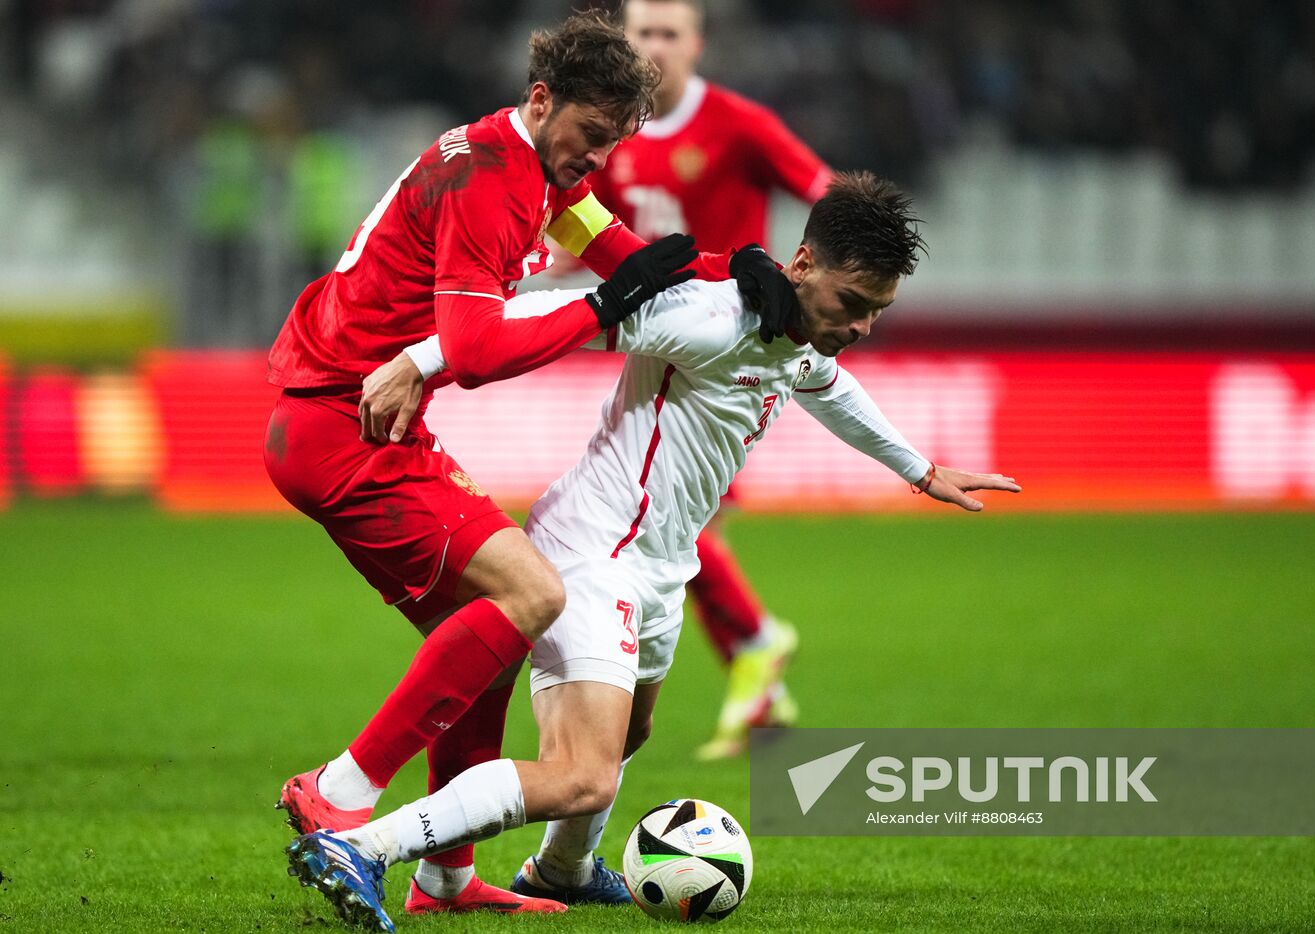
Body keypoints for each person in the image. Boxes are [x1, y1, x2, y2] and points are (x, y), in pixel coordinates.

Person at [294, 172, 1019, 930]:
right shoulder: (709, 316)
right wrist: (423, 360)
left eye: (878, 312)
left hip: (665, 566)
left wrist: (921, 470)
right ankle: (366, 847)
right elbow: (551, 312)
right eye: (853, 304)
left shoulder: (795, 334)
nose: (863, 326)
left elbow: (828, 386)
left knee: (631, 733)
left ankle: (562, 869)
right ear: (803, 264)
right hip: (593, 553)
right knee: (582, 777)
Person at [263, 12, 795, 928]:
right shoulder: (494, 178)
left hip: (355, 424)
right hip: (343, 426)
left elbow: (626, 258)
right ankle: (339, 791)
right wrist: (599, 309)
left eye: (613, 145)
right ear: (542, 101)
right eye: (590, 138)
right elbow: (471, 345)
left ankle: (444, 878)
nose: (595, 161)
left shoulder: (542, 173)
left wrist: (738, 269)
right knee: (533, 596)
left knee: (493, 636)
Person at [594, 0, 839, 759]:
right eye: (643, 33)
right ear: (625, 43)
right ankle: (760, 684)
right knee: (671, 527)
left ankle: (759, 643)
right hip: (657, 346)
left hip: (733, 349)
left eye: (671, 33)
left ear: (697, 44)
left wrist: (807, 286)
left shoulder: (738, 122)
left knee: (676, 525)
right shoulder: (614, 132)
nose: (657, 46)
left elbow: (828, 197)